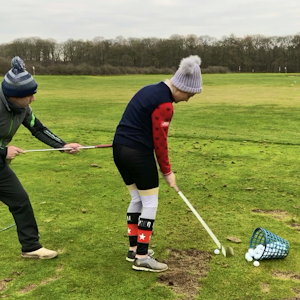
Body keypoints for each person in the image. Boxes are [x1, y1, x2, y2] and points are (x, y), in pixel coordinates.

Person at [113, 55, 203, 272]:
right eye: (189, 94)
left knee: (136, 198)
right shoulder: (165, 105)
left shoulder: (149, 90)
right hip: (137, 154)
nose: (187, 99)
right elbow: (160, 142)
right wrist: (167, 171)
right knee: (150, 203)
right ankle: (142, 257)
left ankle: (134, 249)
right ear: (181, 88)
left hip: (120, 149)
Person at [0, 56, 82, 259]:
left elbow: (38, 128)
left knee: (20, 200)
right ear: (13, 95)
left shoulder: (23, 109)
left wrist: (62, 145)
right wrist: (3, 151)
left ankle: (30, 247)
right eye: (29, 95)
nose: (33, 99)